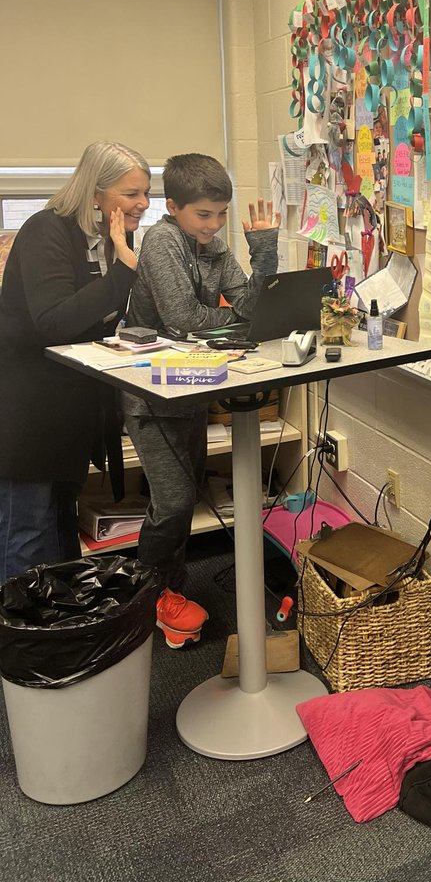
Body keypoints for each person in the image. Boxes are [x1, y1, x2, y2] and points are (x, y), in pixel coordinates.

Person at [122, 154, 280, 647]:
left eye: (220, 214)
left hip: (191, 388)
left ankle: (168, 592)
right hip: (151, 394)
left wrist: (264, 252)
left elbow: (253, 306)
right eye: (203, 215)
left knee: (181, 500)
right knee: (174, 500)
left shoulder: (212, 245)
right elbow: (183, 319)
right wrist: (234, 321)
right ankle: (140, 600)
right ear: (173, 207)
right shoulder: (162, 240)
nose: (213, 225)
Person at [0, 142, 150, 583]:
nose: (142, 203)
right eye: (132, 193)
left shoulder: (110, 239)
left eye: (145, 192)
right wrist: (124, 269)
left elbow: (98, 321)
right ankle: (21, 641)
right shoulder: (45, 231)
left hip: (71, 404)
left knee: (63, 524)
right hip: (27, 408)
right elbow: (54, 321)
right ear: (96, 193)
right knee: (25, 532)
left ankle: (62, 633)